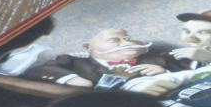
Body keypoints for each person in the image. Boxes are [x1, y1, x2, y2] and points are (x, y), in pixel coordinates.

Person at [21, 28, 167, 88]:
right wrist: (70, 78)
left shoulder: (154, 60)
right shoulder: (73, 61)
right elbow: (40, 70)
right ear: (88, 47)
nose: (126, 43)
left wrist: (163, 72)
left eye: (127, 39)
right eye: (114, 40)